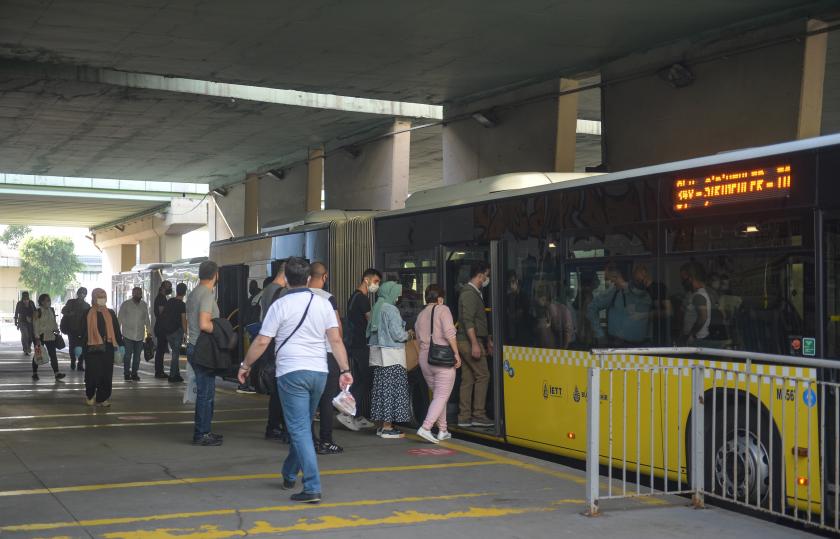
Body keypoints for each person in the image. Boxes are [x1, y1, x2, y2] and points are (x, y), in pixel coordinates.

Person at [239, 257, 353, 504]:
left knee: (300, 430)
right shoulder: (322, 303)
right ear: (309, 278)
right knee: (301, 427)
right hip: (319, 373)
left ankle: (312, 486)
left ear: (287, 279)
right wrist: (345, 369)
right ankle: (289, 473)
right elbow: (335, 340)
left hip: (292, 373)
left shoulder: (280, 305)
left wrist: (245, 365)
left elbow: (261, 341)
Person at [414, 284, 461, 443]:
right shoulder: (443, 309)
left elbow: (418, 338)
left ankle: (443, 430)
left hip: (424, 358)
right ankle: (426, 428)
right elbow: (449, 332)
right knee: (442, 395)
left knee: (439, 396)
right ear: (440, 298)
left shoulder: (421, 315)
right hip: (441, 358)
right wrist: (456, 353)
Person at [338, 268, 381, 432]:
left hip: (354, 345)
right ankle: (346, 413)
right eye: (375, 281)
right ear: (366, 280)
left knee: (362, 381)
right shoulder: (362, 299)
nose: (376, 285)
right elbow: (371, 322)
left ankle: (358, 415)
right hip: (361, 345)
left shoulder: (353, 297)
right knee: (363, 381)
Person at [367, 281, 412, 439]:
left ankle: (381, 426)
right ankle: (387, 427)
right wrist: (409, 334)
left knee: (381, 391)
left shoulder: (377, 307)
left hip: (379, 356)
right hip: (392, 356)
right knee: (392, 391)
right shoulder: (391, 309)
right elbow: (397, 335)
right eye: (397, 293)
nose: (399, 296)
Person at [308, 261, 344, 454]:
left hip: (306, 356)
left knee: (307, 402)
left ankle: (309, 441)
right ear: (324, 277)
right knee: (326, 400)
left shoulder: (296, 296)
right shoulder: (328, 298)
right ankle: (326, 441)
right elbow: (337, 330)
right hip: (327, 355)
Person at [187, 261, 223, 446]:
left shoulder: (194, 293)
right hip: (204, 348)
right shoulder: (207, 294)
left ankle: (204, 430)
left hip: (194, 345)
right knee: (206, 393)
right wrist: (220, 331)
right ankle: (202, 433)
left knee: (205, 391)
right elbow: (204, 323)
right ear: (215, 275)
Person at [456, 261, 494, 428]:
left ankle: (464, 417)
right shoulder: (470, 294)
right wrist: (475, 344)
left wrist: (488, 339)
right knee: (483, 375)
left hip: (467, 340)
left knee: (468, 378)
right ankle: (478, 414)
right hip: (469, 341)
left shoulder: (473, 292)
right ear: (481, 275)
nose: (488, 278)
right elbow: (468, 320)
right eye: (488, 275)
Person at [76, 288, 124, 407]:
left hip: (107, 348)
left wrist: (121, 344)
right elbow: (82, 331)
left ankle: (103, 397)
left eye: (104, 296)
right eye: (99, 297)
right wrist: (79, 345)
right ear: (94, 298)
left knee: (106, 374)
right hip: (91, 348)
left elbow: (117, 330)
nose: (102, 299)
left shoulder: (111, 313)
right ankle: (90, 395)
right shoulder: (87, 313)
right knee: (92, 373)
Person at [586, 263, 652, 346]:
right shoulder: (615, 292)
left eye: (608, 279)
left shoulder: (650, 293)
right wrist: (600, 335)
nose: (608, 283)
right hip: (620, 346)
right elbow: (591, 308)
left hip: (644, 346)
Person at [260, 261, 289, 440]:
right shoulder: (283, 293)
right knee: (284, 388)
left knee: (277, 390)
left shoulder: (268, 290)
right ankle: (283, 429)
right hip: (280, 344)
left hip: (271, 343)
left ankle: (273, 426)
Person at [118, 286, 152, 381]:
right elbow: (119, 318)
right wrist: (117, 333)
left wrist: (149, 332)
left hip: (139, 335)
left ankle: (134, 373)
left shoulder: (144, 305)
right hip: (127, 334)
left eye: (140, 293)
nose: (138, 295)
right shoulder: (126, 304)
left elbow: (147, 320)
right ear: (132, 294)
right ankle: (126, 373)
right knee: (128, 355)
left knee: (137, 357)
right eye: (136, 293)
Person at [32, 294, 66, 381]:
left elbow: (53, 321)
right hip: (40, 336)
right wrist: (37, 338)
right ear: (42, 302)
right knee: (38, 354)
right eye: (47, 300)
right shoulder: (37, 312)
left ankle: (57, 373)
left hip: (50, 335)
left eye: (49, 300)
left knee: (53, 355)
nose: (49, 302)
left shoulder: (51, 310)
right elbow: (35, 325)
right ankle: (35, 373)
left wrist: (56, 329)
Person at [680, 261, 712, 345]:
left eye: (683, 278)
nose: (682, 282)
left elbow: (703, 317)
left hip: (697, 340)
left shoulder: (699, 296)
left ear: (690, 278)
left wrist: (692, 335)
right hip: (694, 338)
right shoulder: (695, 294)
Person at [162, 283, 188, 382]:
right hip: (177, 331)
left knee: (174, 352)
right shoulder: (182, 305)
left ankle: (176, 374)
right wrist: (186, 332)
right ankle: (172, 375)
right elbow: (183, 319)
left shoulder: (170, 301)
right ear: (185, 292)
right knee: (175, 354)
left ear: (176, 290)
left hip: (168, 331)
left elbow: (164, 314)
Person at [62, 287, 89, 370]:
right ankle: (73, 361)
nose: (82, 294)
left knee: (82, 346)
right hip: (71, 328)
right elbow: (63, 311)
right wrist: (70, 313)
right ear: (77, 293)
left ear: (85, 295)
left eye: (84, 293)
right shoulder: (71, 302)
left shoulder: (87, 306)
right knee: (72, 346)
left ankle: (80, 364)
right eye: (81, 292)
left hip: (82, 329)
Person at [153, 281, 173, 379]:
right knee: (160, 351)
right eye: (169, 286)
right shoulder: (161, 298)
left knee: (161, 351)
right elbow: (161, 312)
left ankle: (160, 371)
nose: (170, 288)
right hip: (161, 327)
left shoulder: (162, 297)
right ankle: (159, 371)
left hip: (161, 327)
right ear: (163, 287)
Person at [14, 291, 36, 356]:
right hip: (22, 322)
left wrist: (32, 318)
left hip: (30, 322)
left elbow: (35, 311)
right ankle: (26, 349)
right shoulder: (19, 303)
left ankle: (28, 346)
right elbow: (16, 312)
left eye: (27, 296)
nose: (26, 297)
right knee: (25, 335)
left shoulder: (31, 303)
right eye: (24, 296)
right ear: (22, 296)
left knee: (30, 336)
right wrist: (16, 321)